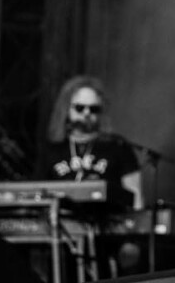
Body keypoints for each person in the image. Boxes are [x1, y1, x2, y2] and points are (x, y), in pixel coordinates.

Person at [42, 75, 142, 211]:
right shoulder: (52, 148)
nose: (87, 113)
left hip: (107, 220)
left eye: (93, 109)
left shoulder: (118, 146)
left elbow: (135, 196)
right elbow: (39, 195)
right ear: (66, 108)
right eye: (80, 108)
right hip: (62, 221)